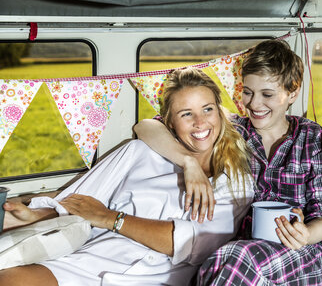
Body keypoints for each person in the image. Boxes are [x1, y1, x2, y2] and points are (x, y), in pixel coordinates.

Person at [136, 39, 322, 284]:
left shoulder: (314, 140)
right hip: (242, 246)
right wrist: (188, 163)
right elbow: (147, 126)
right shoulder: (232, 130)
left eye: (267, 94)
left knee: (236, 257)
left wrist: (306, 233)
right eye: (248, 92)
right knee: (217, 261)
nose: (254, 104)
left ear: (292, 92)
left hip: (298, 251)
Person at [0, 68, 254, 286]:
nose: (200, 122)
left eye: (207, 109)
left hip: (156, 277)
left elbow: (192, 244)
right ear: (170, 122)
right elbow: (78, 201)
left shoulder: (235, 181)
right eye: (186, 114)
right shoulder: (139, 152)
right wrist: (35, 215)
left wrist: (111, 218)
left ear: (220, 113)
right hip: (88, 260)